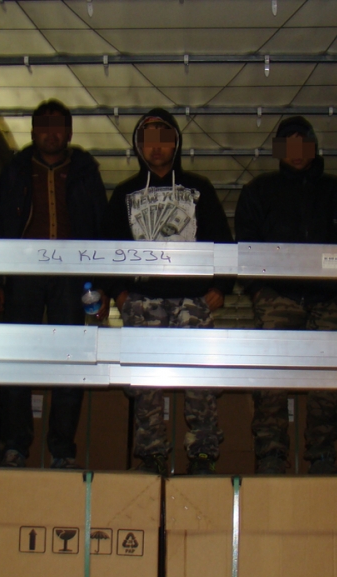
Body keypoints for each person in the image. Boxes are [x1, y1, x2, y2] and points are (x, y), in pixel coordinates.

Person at [103, 108, 234, 475]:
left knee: (200, 375)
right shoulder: (124, 193)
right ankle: (152, 455)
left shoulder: (199, 188)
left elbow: (223, 241)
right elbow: (107, 246)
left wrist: (221, 286)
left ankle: (203, 455)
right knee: (144, 380)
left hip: (193, 298)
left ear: (176, 143)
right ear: (138, 146)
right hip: (141, 300)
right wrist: (118, 293)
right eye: (148, 141)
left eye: (164, 139)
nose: (156, 148)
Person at [0, 100, 108, 469]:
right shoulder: (16, 170)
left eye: (58, 127)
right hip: (24, 274)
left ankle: (62, 450)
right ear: (33, 131)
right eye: (44, 126)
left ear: (69, 132)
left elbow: (100, 227)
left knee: (70, 360)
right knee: (16, 358)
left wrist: (100, 285)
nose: (51, 134)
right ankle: (15, 445)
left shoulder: (85, 172)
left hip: (71, 276)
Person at [235, 116, 337, 475]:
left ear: (314, 146)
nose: (296, 152)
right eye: (287, 145)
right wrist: (259, 291)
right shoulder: (258, 190)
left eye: (303, 143)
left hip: (332, 299)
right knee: (272, 378)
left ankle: (322, 456)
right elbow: (245, 243)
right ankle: (271, 455)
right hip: (278, 296)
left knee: (327, 378)